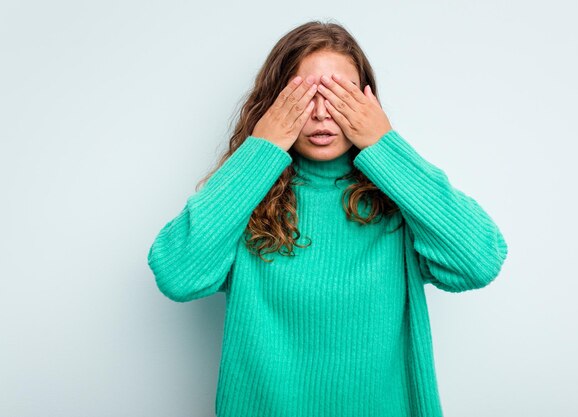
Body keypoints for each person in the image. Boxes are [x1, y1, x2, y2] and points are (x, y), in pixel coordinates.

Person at [147, 20, 508, 417]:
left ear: (367, 104)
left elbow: (479, 262)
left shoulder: (399, 200)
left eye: (339, 95)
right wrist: (261, 150)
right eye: (304, 96)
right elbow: (177, 276)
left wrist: (384, 144)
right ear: (275, 102)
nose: (321, 114)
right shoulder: (244, 195)